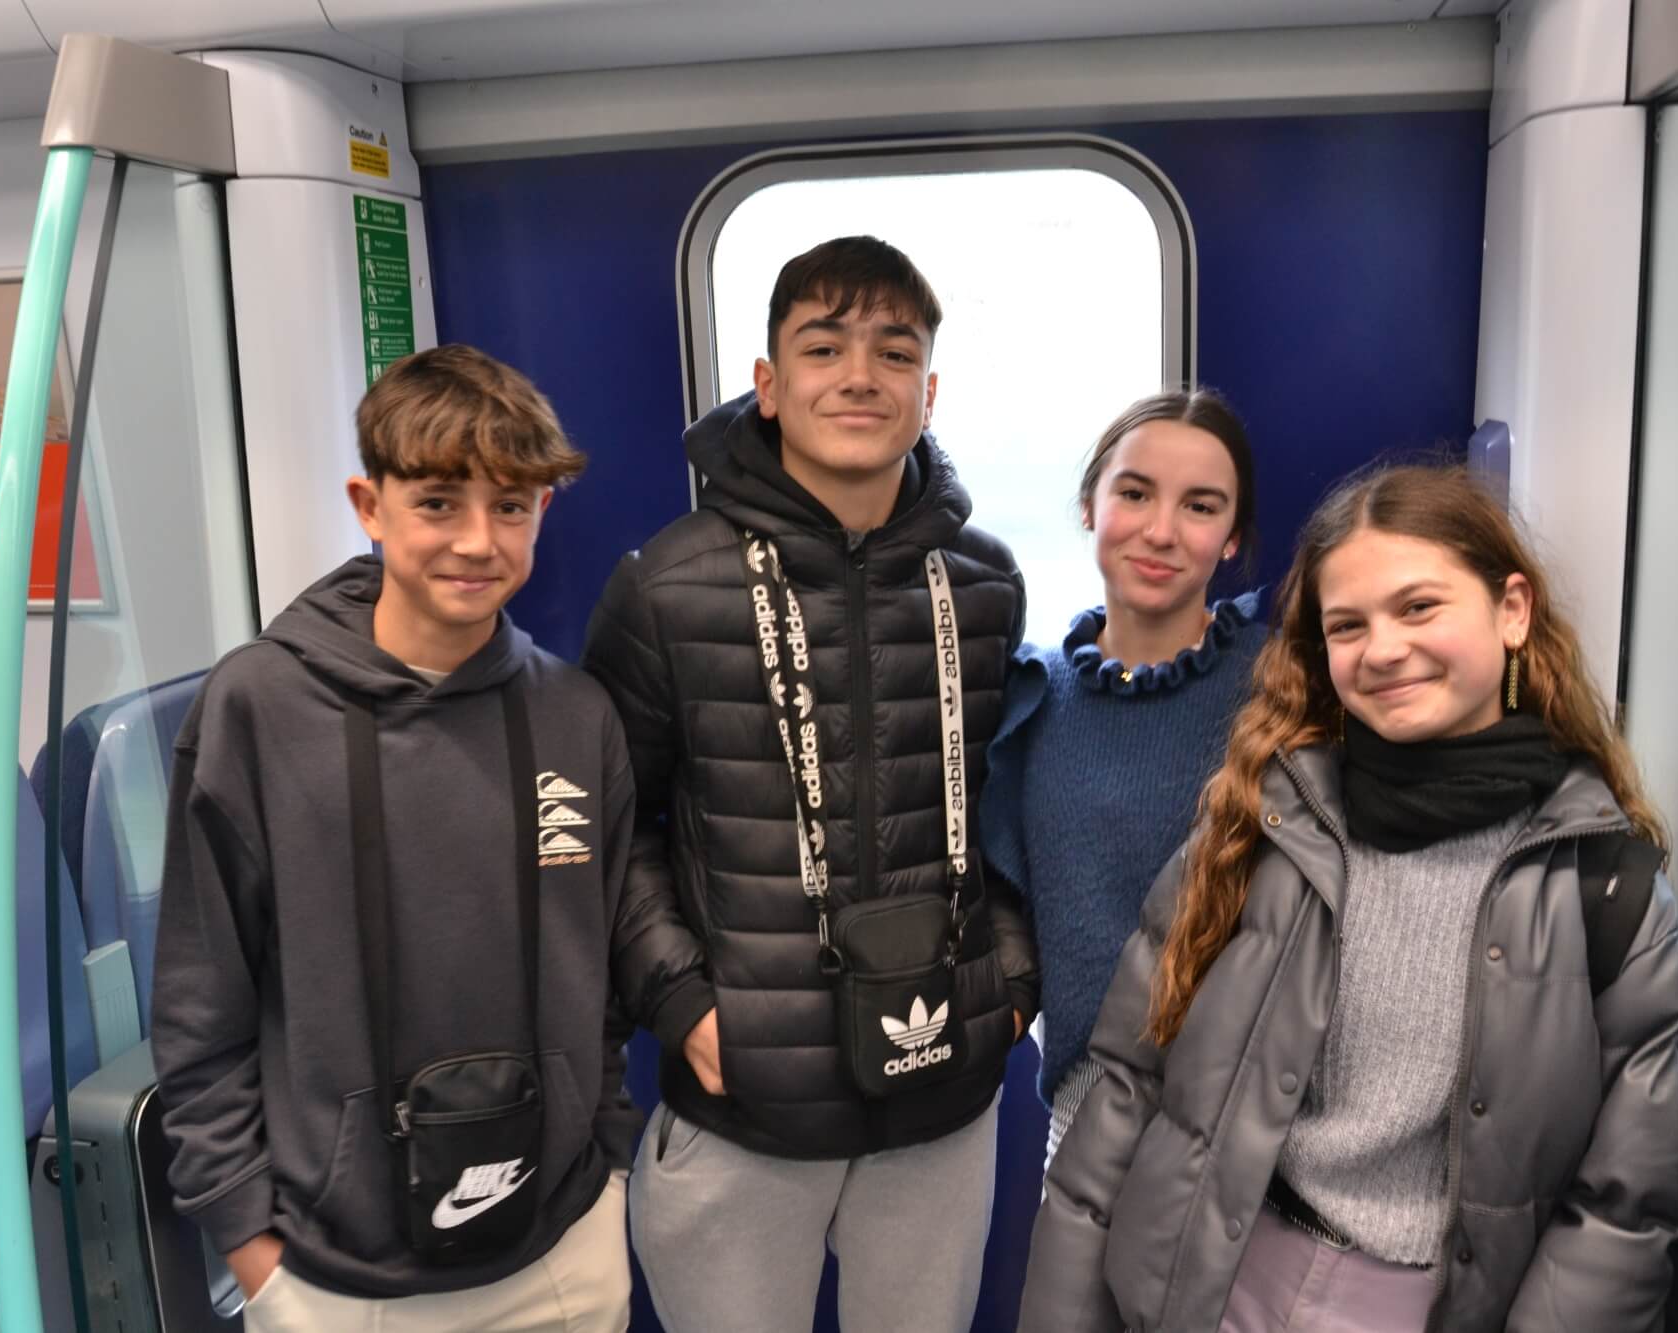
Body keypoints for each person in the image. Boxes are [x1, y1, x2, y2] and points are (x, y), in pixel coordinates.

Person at [1020, 464, 1678, 1332]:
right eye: (1348, 625)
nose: (1382, 649)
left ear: (1513, 610)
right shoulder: (1263, 821)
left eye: (1419, 607)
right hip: (1212, 1282)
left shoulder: (1607, 884)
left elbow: (1622, 1207)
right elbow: (1127, 1084)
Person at [583, 235, 1037, 1333]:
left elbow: (1011, 809)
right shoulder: (666, 586)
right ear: (769, 385)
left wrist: (1013, 978)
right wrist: (681, 1002)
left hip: (940, 1088)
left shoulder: (984, 583)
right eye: (824, 347)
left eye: (895, 352)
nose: (860, 376)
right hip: (746, 1100)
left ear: (929, 392)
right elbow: (610, 825)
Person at [151, 344, 638, 1332]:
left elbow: (601, 974)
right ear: (369, 506)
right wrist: (249, 1244)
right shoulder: (257, 708)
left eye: (510, 505)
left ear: (542, 511)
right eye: (438, 502)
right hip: (334, 1280)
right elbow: (202, 1002)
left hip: (561, 1250)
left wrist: (608, 1161)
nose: (476, 540)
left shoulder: (576, 715)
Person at [981, 388, 1265, 1171]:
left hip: (1252, 1117)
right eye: (1135, 493)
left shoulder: (1279, 688)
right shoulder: (1031, 695)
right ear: (1089, 507)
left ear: (1232, 539)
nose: (1161, 530)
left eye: (1200, 506)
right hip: (1087, 1113)